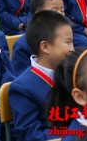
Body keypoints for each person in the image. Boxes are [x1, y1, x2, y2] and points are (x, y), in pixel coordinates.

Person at [9, 10, 74, 140]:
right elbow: (32, 136)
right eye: (67, 42)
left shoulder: (73, 71)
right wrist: (75, 132)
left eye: (72, 42)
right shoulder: (22, 88)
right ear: (45, 47)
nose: (72, 48)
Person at [12, 0, 65, 75]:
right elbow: (22, 78)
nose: (60, 14)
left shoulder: (64, 38)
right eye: (54, 11)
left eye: (62, 10)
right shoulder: (23, 45)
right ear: (38, 14)